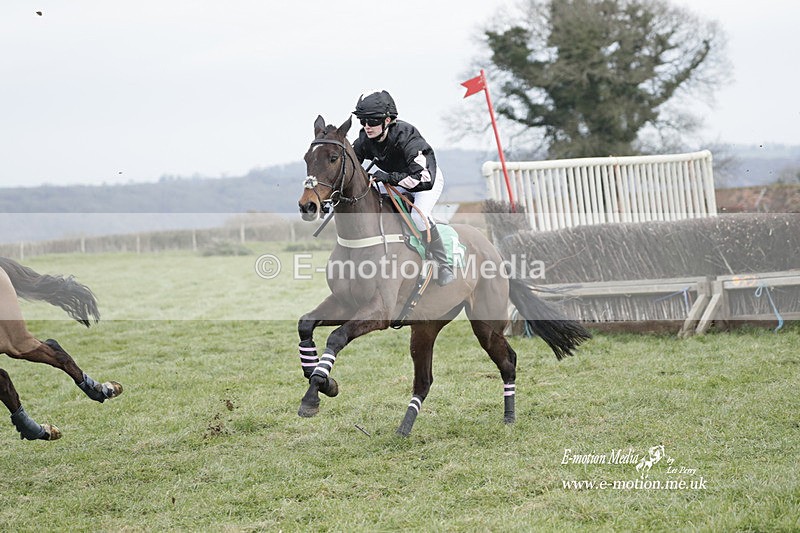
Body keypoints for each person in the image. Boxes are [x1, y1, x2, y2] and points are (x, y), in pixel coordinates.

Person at [352, 90, 455, 286]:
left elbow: (423, 178)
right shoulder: (364, 140)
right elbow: (350, 168)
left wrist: (389, 177)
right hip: (393, 180)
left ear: (388, 120)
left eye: (372, 121)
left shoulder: (407, 137)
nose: (367, 126)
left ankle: (443, 264)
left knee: (418, 216)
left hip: (424, 180)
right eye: (363, 121)